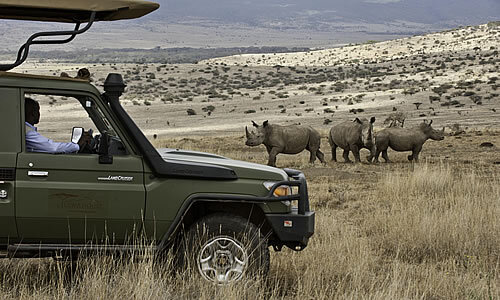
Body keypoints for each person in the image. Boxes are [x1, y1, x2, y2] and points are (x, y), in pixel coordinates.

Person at [25, 97, 91, 153]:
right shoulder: (27, 132)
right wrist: (77, 145)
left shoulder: (25, 129)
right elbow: (52, 148)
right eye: (38, 111)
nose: (39, 114)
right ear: (33, 113)